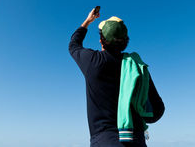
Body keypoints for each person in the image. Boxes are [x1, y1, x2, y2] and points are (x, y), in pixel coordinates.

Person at [69, 8, 165, 147]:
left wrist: (88, 21)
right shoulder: (137, 67)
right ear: (126, 41)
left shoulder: (93, 62)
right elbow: (157, 111)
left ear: (101, 40)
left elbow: (73, 45)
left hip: (104, 140)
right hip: (136, 139)